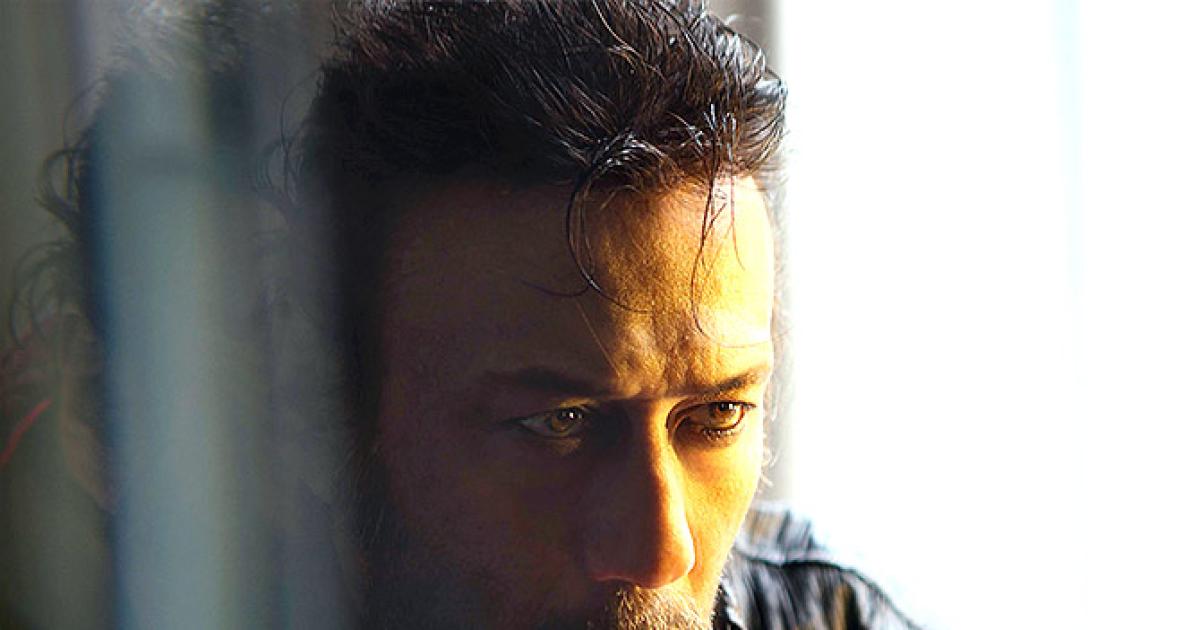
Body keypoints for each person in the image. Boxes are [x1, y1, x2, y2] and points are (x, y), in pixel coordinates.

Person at [2, 1, 921, 628]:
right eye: (559, 423)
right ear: (315, 422)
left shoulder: (822, 615)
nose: (661, 549)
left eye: (716, 415)